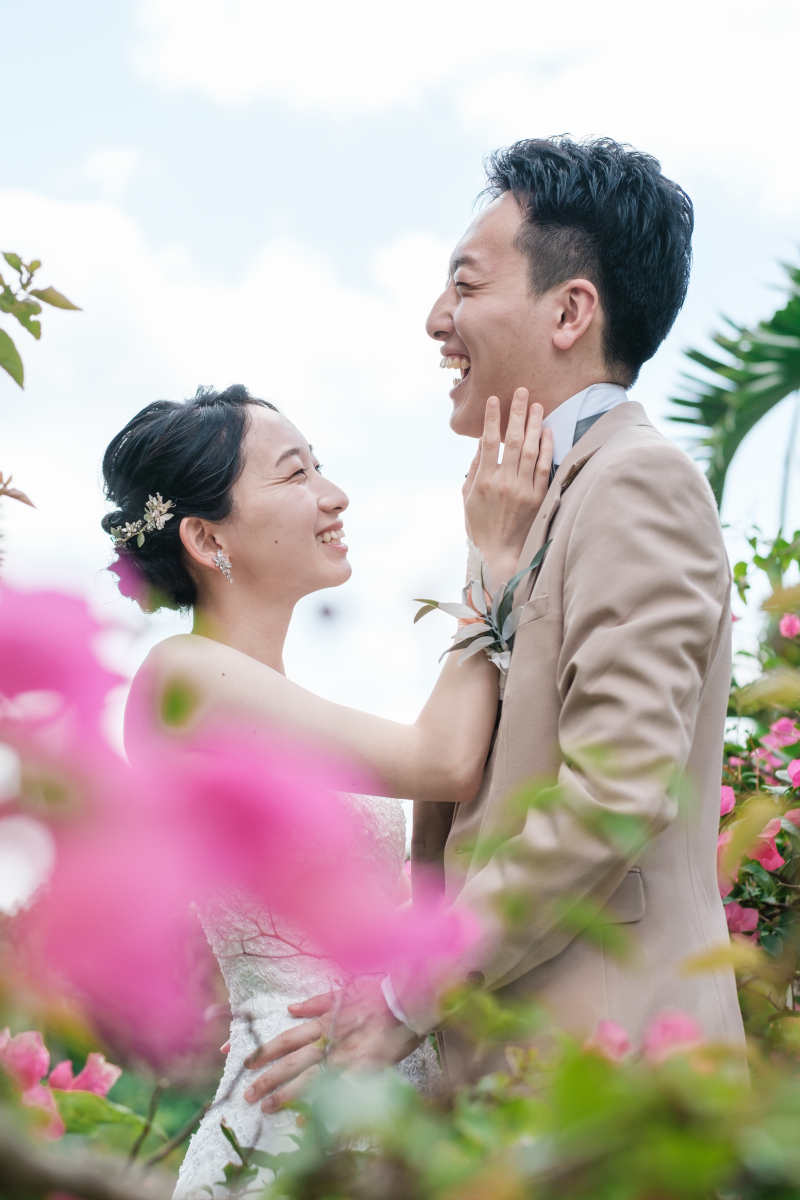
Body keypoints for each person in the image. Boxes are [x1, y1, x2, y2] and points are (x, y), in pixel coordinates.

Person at [243, 135, 745, 1108]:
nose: (437, 319)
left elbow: (617, 789)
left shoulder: (635, 482)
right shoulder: (514, 511)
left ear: (569, 311)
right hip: (511, 1079)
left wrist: (406, 991)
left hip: (613, 1076)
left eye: (465, 285)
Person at [101, 381, 552, 1196]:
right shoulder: (183, 677)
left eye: (321, 466)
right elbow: (446, 757)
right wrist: (491, 556)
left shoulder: (266, 699)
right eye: (295, 473)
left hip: (366, 1078)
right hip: (294, 1109)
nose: (334, 494)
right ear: (206, 537)